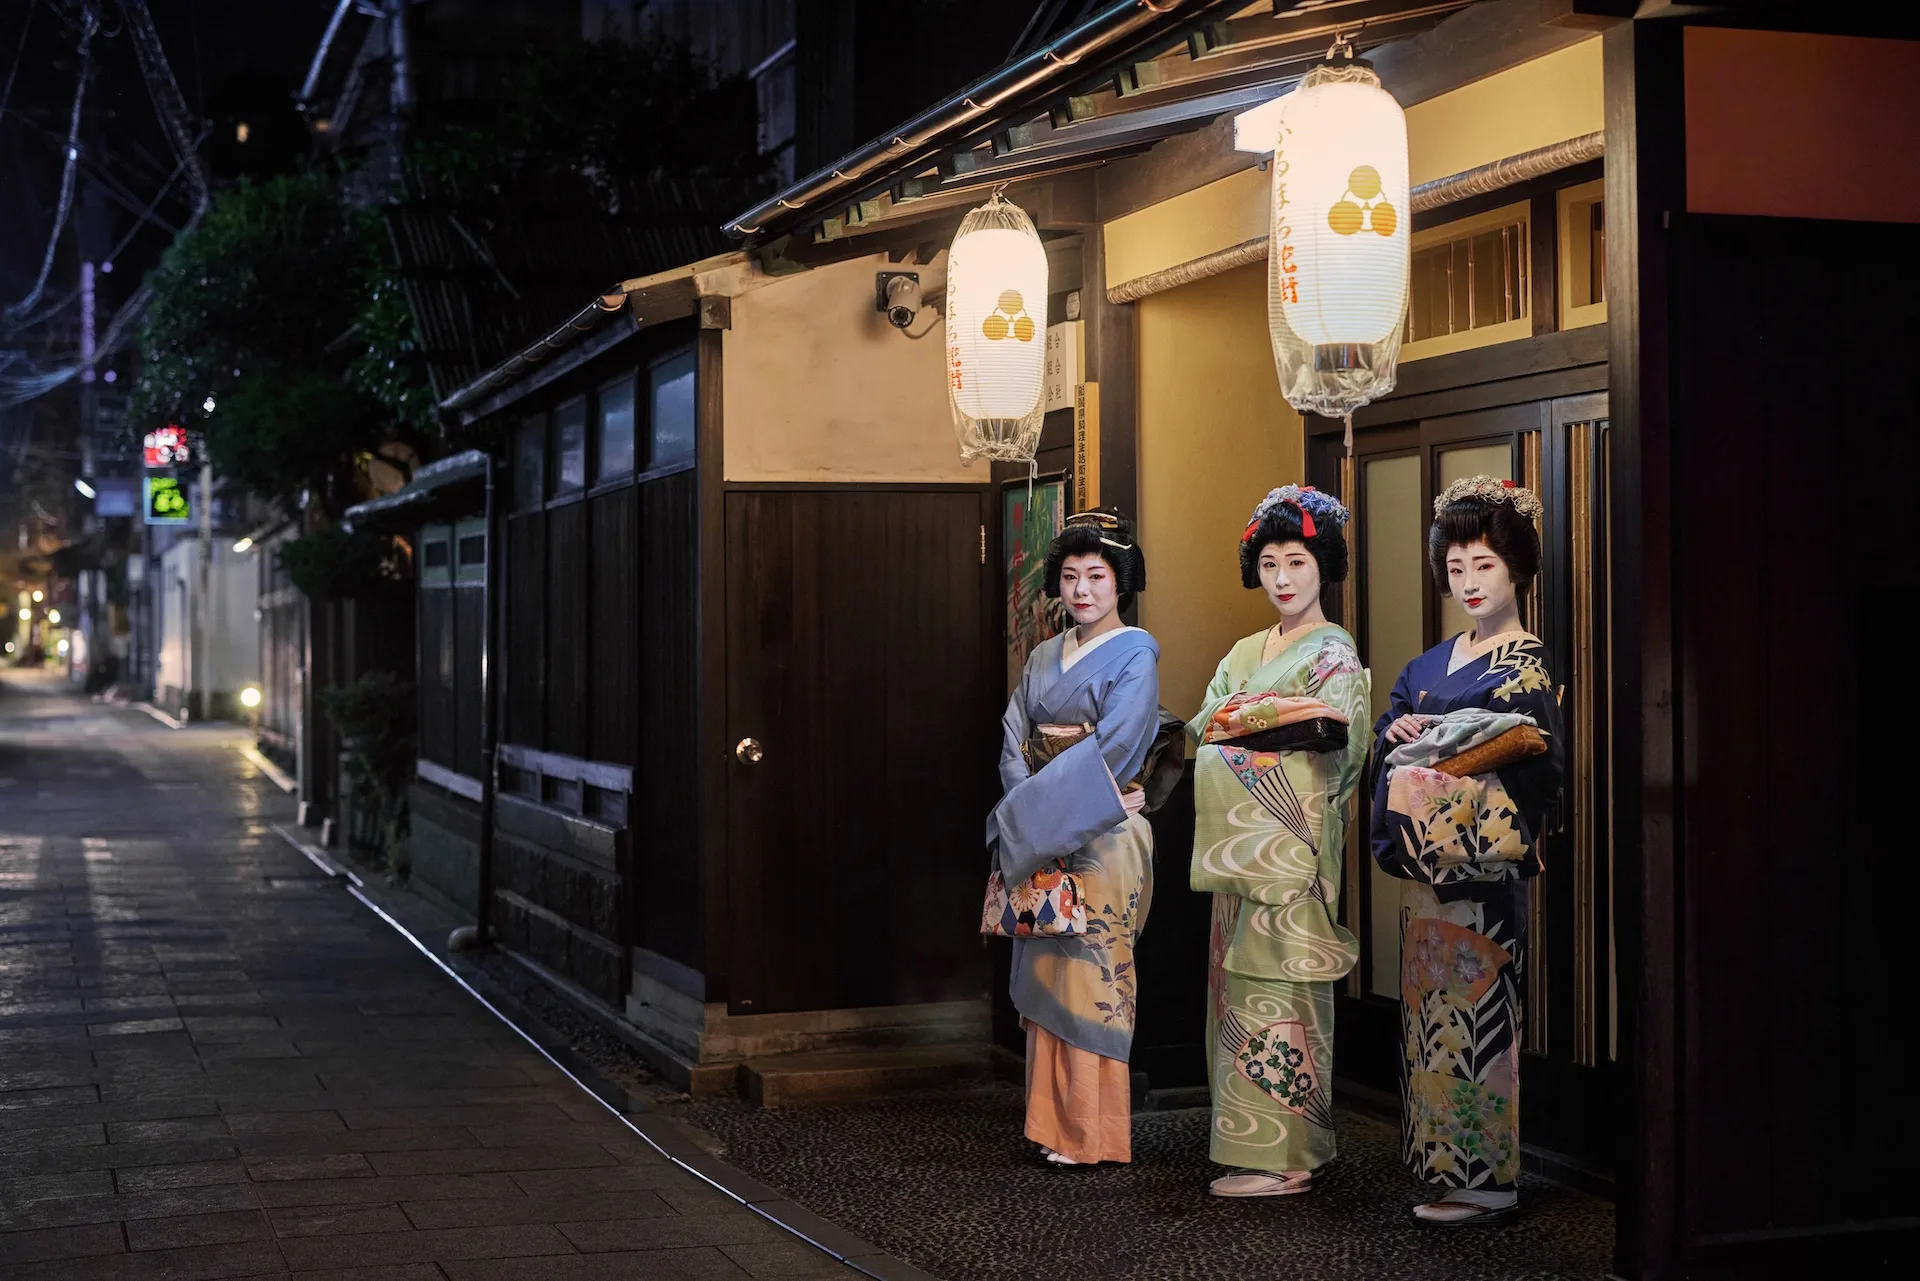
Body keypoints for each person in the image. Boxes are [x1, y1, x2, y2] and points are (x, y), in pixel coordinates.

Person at [1369, 476, 1565, 1226]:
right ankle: (1442, 1166)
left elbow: (1539, 765)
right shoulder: (1425, 666)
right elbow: (1391, 736)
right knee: (1429, 1022)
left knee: (1478, 1018)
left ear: (1515, 565)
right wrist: (1399, 739)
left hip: (1480, 876)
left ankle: (1490, 1176)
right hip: (1426, 873)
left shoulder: (1528, 663)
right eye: (1455, 569)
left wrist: (1446, 754)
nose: (1469, 582)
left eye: (1482, 564)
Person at [1188, 486, 1371, 1198]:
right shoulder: (1243, 649)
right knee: (1233, 997)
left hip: (1289, 849)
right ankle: (1245, 1142)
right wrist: (1264, 723)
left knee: (1283, 991)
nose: (1284, 577)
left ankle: (1291, 1150)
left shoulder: (1335, 650)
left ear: (1322, 564)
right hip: (1237, 855)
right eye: (1269, 563)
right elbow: (1207, 723)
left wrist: (1247, 726)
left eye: (1297, 560)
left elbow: (1342, 750)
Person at [988, 508, 1160, 1167]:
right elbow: (1012, 740)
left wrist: (1039, 807)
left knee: (1092, 978)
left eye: (1096, 575)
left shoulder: (1137, 653)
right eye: (1068, 576)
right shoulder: (1039, 657)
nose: (1081, 589)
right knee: (1046, 972)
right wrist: (1033, 807)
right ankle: (1049, 1123)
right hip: (1044, 832)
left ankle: (1091, 1133)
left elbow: (1116, 749)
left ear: (1120, 585)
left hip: (1105, 835)